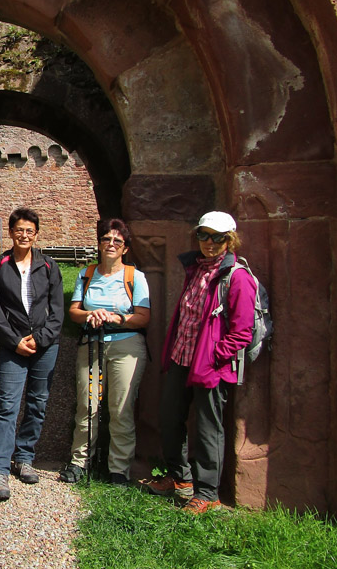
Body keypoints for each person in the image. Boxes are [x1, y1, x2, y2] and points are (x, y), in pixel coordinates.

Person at [141, 211, 255, 513]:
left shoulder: (237, 278)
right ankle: (180, 479)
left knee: (207, 429)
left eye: (217, 237)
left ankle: (207, 493)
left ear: (230, 240)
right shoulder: (196, 269)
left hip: (211, 366)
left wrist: (215, 356)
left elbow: (243, 331)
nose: (209, 242)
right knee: (169, 418)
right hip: (182, 357)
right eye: (204, 235)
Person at [60, 218, 151, 486]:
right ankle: (80, 461)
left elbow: (144, 316)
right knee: (87, 405)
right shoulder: (87, 274)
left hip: (125, 344)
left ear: (125, 249)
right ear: (99, 245)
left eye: (117, 241)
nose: (110, 244)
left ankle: (118, 468)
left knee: (120, 407)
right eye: (105, 240)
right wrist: (91, 314)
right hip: (92, 342)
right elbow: (74, 312)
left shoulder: (135, 277)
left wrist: (118, 318)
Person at [0, 208, 64, 501]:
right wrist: (15, 341)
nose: (24, 235)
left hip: (45, 346)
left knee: (38, 402)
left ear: (36, 234)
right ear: (11, 232)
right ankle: (1, 469)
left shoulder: (49, 267)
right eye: (19, 230)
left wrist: (40, 339)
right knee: (8, 404)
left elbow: (57, 311)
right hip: (12, 346)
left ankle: (25, 456)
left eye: (29, 230)